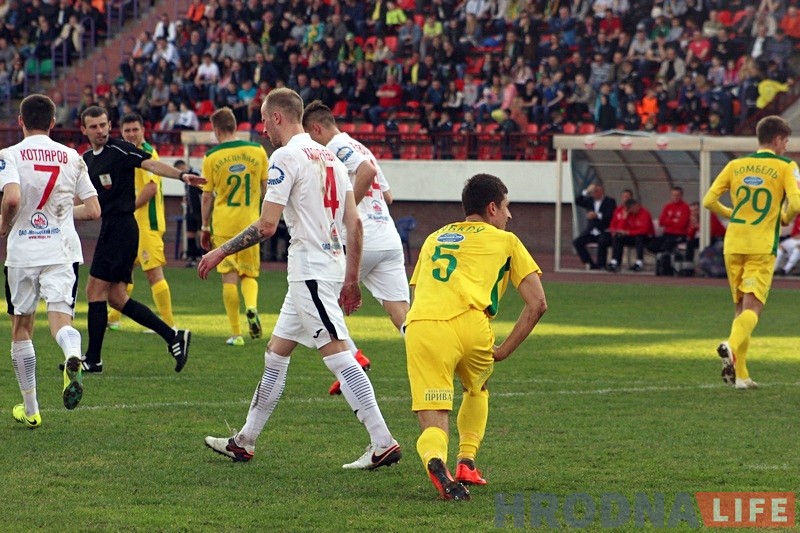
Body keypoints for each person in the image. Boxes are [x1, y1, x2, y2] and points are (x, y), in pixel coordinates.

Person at [201, 88, 402, 469]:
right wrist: (352, 276)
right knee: (276, 353)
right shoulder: (329, 155)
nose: (262, 129)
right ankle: (244, 441)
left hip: (310, 271)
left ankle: (382, 441)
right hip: (320, 270)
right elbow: (354, 221)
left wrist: (220, 251)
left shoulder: (285, 156)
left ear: (278, 117)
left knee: (340, 354)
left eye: (263, 120)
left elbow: (266, 225)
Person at [405, 173, 547, 500]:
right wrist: (504, 350)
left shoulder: (434, 238)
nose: (509, 216)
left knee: (434, 417)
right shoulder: (506, 241)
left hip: (425, 324)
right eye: (507, 207)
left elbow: (417, 290)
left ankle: (436, 461)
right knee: (477, 387)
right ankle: (466, 461)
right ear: (493, 208)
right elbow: (538, 303)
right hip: (473, 325)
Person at [76, 105, 201, 374]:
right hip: (113, 229)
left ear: (109, 125)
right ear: (83, 129)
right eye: (93, 126)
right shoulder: (87, 160)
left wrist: (182, 176)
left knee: (94, 292)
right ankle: (173, 337)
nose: (100, 130)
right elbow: (79, 198)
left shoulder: (120, 150)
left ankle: (93, 359)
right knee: (118, 298)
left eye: (103, 125)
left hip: (121, 228)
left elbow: (151, 163)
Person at [1, 95, 101, 428]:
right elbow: (93, 209)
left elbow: (12, 198)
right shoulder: (72, 156)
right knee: (60, 320)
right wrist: (58, 217)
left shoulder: (10, 155)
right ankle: (72, 353)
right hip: (61, 250)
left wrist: (5, 224)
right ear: (53, 122)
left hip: (24, 253)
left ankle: (31, 411)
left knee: (22, 328)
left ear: (20, 121)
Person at [301, 100, 409, 395]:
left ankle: (352, 359)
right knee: (401, 312)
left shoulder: (335, 147)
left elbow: (366, 173)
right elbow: (388, 196)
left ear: (316, 128)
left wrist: (342, 214)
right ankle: (435, 356)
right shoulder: (362, 146)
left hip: (361, 237)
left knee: (319, 301)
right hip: (388, 237)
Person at [704, 115, 800, 389]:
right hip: (760, 245)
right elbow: (796, 202)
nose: (786, 146)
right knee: (754, 308)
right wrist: (783, 218)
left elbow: (709, 200)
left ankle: (742, 375)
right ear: (778, 139)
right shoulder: (785, 165)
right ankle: (730, 346)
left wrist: (731, 213)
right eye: (786, 141)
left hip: (733, 243)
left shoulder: (736, 165)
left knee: (740, 310)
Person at [200, 107, 268, 347]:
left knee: (228, 278)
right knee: (249, 273)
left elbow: (207, 196)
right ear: (235, 125)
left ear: (217, 130)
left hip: (224, 223)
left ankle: (236, 333)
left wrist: (204, 226)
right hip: (251, 222)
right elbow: (266, 187)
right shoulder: (257, 150)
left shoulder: (211, 157)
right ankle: (251, 307)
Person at [106, 113, 176, 332]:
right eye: (127, 130)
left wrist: (127, 208)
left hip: (147, 223)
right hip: (134, 223)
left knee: (153, 272)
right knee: (123, 270)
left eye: (135, 129)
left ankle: (169, 323)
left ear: (143, 130)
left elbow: (151, 187)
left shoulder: (146, 153)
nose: (131, 134)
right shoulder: (128, 154)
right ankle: (113, 317)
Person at [573, 182, 616, 270]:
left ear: (602, 191)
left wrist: (597, 215)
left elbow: (610, 215)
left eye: (596, 191)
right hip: (591, 231)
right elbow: (577, 201)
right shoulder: (590, 201)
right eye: (593, 192)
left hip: (604, 231)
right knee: (577, 242)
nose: (594, 193)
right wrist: (586, 191)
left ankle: (601, 264)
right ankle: (590, 263)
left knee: (602, 241)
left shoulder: (610, 201)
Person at [607, 198, 655, 272]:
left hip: (646, 238)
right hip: (632, 237)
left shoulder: (644, 213)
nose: (633, 210)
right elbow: (620, 229)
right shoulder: (629, 214)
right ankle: (615, 261)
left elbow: (643, 230)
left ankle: (639, 262)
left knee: (639, 237)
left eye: (633, 208)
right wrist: (624, 218)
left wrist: (629, 232)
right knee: (618, 237)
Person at [174, 159, 204, 267]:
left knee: (201, 233)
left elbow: (203, 189)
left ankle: (203, 256)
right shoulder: (185, 179)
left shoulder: (194, 173)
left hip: (199, 210)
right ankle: (192, 257)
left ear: (181, 167)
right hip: (190, 210)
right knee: (190, 233)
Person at [648, 186, 691, 257]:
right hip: (667, 234)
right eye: (674, 195)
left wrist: (668, 221)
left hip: (680, 235)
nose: (676, 197)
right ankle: (663, 259)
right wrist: (674, 221)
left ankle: (667, 261)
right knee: (651, 245)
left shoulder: (685, 207)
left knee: (666, 245)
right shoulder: (667, 206)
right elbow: (661, 222)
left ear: (681, 195)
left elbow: (682, 224)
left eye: (678, 195)